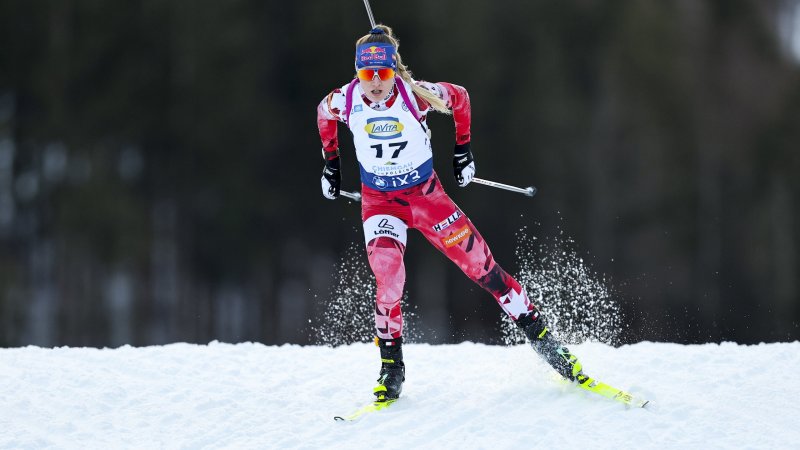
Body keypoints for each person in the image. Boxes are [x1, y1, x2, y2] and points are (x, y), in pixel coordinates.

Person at [316, 25, 583, 403]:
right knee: (388, 276)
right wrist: (331, 164)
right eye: (366, 74)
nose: (375, 83)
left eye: (384, 73)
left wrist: (463, 151)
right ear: (356, 72)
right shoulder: (345, 99)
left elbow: (460, 97)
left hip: (427, 198)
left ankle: (545, 341)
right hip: (381, 202)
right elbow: (322, 114)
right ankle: (391, 367)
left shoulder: (415, 95)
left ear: (394, 70)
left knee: (483, 269)